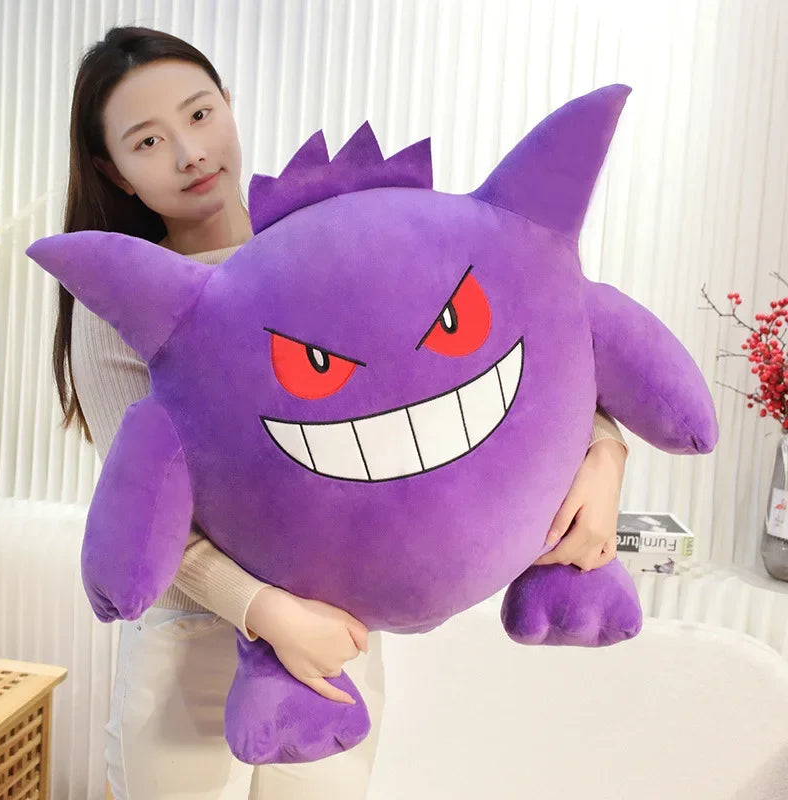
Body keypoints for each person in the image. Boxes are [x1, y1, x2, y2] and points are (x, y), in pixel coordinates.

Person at [50, 25, 630, 800]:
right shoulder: (126, 304)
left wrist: (605, 451)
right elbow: (148, 511)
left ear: (227, 104)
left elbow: (517, 345)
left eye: (198, 114)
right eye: (148, 141)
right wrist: (267, 613)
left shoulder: (331, 242)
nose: (190, 153)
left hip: (334, 635)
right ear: (111, 171)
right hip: (196, 639)